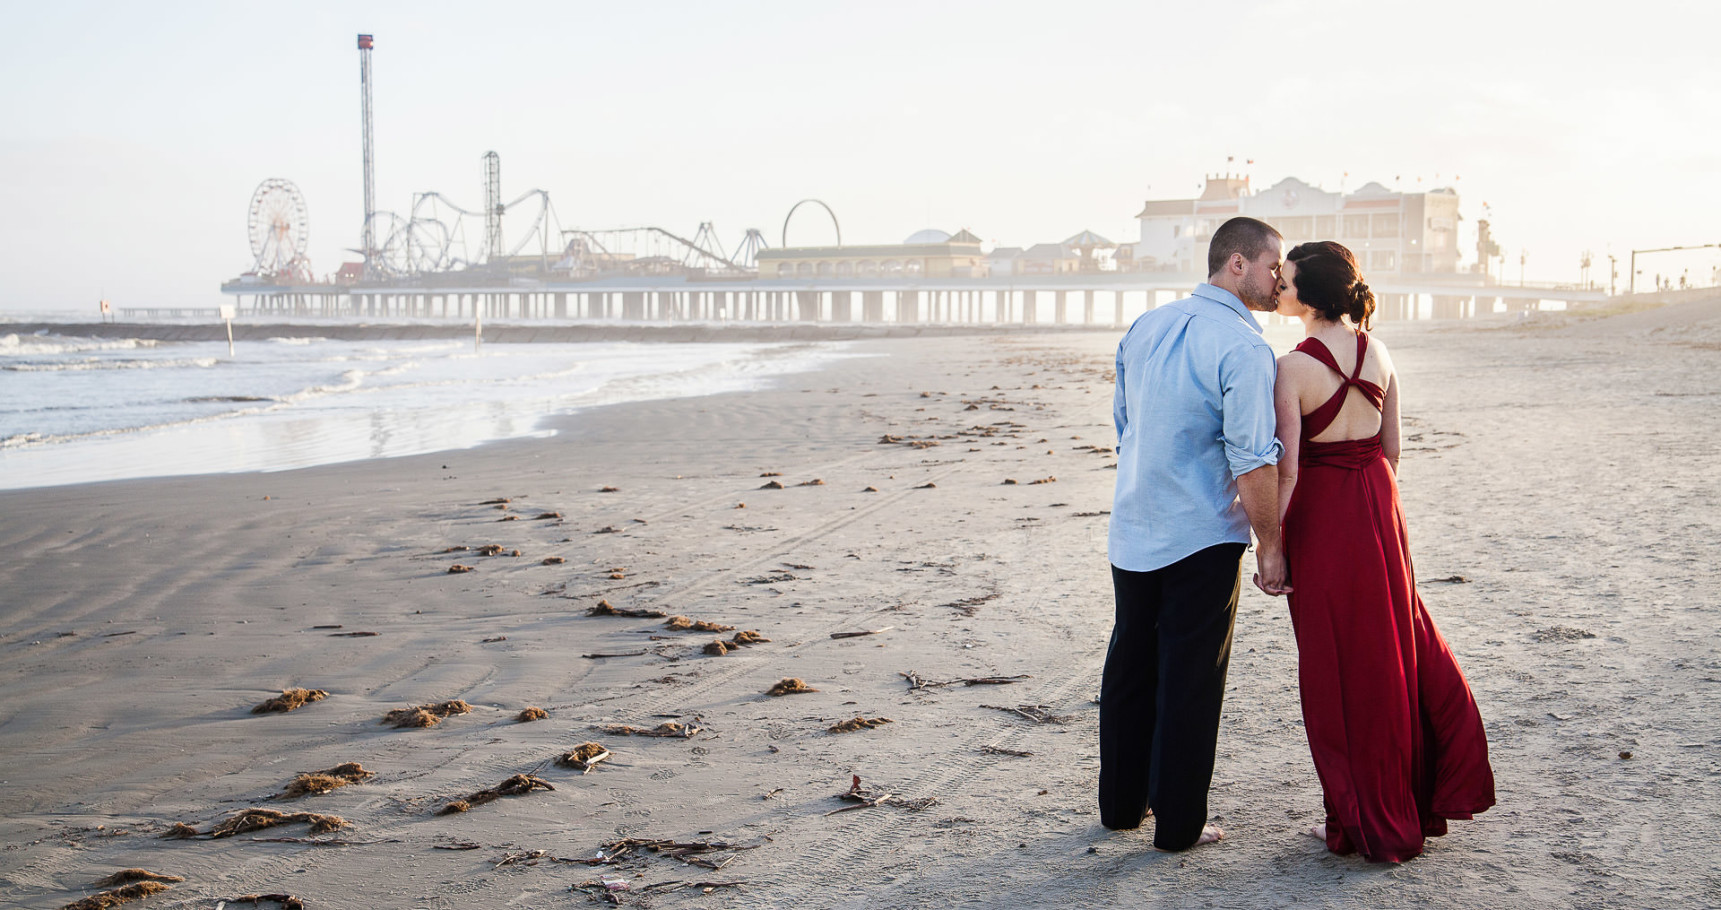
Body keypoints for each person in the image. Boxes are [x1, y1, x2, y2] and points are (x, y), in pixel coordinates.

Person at [1271, 240, 1496, 863]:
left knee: (1337, 668)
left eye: (1286, 281)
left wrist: (1273, 544)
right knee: (1392, 651)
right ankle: (1397, 800)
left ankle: (1358, 816)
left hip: (1325, 520)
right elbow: (1391, 451)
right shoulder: (1381, 352)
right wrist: (1372, 503)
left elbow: (1287, 470)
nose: (1278, 289)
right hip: (1378, 507)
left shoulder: (1290, 368)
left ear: (1309, 295)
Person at [1102, 216, 1290, 851]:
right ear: (1236, 265)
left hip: (1133, 522)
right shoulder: (1243, 346)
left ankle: (1123, 807)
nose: (1280, 279)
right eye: (1272, 266)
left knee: (1131, 662)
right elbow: (1252, 458)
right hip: (1201, 533)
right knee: (1190, 676)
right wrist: (1270, 543)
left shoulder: (1146, 325)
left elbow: (1125, 423)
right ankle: (1179, 825)